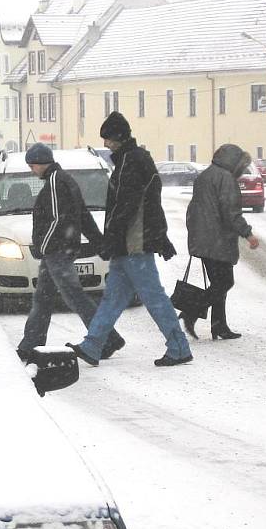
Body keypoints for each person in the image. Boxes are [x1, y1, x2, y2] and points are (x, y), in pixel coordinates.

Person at [66, 112, 193, 367]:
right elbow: (149, 203)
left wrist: (112, 239)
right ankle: (93, 345)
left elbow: (126, 206)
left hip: (133, 243)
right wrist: (159, 236)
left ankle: (179, 346)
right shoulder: (134, 159)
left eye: (109, 139)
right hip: (131, 242)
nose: (106, 144)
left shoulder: (130, 162)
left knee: (152, 296)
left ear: (120, 137)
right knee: (113, 298)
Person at [17, 143, 126, 361]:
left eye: (32, 166)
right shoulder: (63, 180)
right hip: (57, 251)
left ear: (39, 163)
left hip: (57, 251)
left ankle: (107, 338)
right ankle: (30, 343)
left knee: (75, 297)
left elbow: (57, 219)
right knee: (43, 298)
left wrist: (43, 246)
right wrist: (99, 242)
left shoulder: (56, 183)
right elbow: (83, 215)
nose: (32, 170)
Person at [181, 144, 260, 340]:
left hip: (205, 239)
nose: (242, 171)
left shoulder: (205, 176)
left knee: (218, 284)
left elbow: (193, 210)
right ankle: (192, 312)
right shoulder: (226, 179)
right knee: (225, 282)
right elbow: (231, 214)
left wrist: (196, 235)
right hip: (217, 240)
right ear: (234, 163)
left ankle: (219, 326)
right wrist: (248, 234)